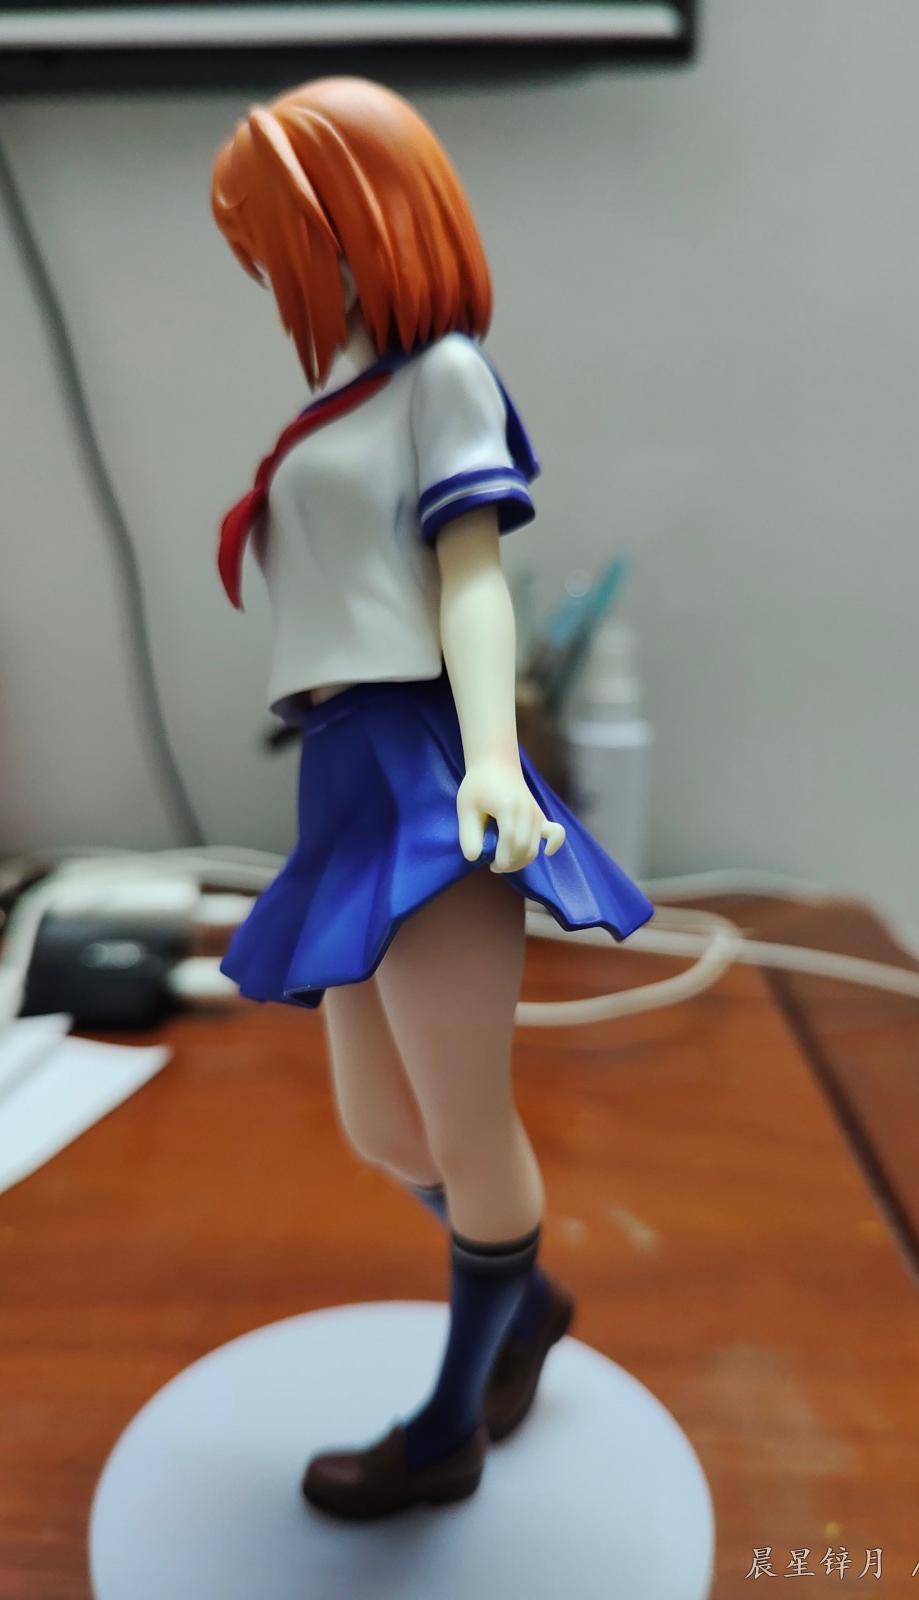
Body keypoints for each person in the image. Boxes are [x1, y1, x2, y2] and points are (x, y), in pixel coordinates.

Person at [211, 77, 655, 1519]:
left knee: (464, 1128)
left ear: (358, 217)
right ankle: (517, 1296)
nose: (270, 266)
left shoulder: (445, 375)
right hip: (342, 769)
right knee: (383, 1129)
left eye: (279, 235)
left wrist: (489, 759)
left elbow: (473, 580)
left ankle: (452, 1424)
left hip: (422, 764)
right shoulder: (337, 396)